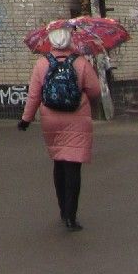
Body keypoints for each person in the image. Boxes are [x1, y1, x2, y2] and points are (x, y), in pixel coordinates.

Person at [18, 24, 103, 232]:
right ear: (69, 39)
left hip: (51, 119)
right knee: (73, 166)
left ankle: (63, 211)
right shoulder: (81, 63)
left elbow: (34, 95)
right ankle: (71, 217)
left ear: (51, 40)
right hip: (77, 118)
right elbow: (95, 90)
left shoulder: (42, 64)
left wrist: (26, 119)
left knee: (59, 162)